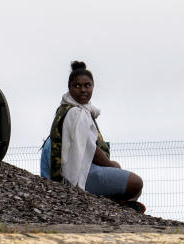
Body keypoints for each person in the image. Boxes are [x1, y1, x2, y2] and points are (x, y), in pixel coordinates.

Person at [40, 61, 145, 212]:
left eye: (87, 85)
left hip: (66, 174)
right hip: (73, 177)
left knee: (122, 174)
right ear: (69, 88)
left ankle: (114, 202)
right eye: (77, 86)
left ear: (93, 86)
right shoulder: (77, 113)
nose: (83, 90)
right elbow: (91, 150)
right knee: (136, 184)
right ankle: (113, 204)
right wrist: (111, 165)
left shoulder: (72, 110)